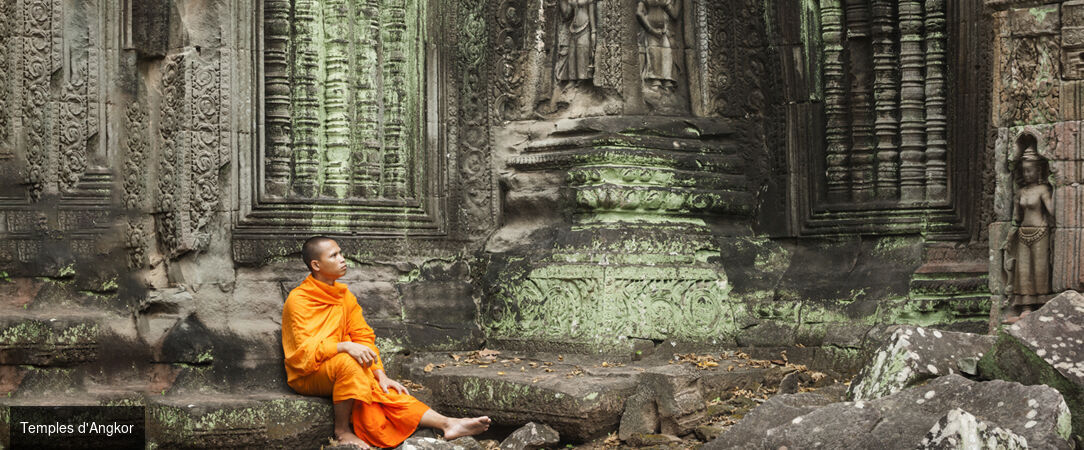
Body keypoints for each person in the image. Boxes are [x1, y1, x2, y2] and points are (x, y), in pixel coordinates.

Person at [282, 236, 491, 448]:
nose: (342, 259)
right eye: (334, 255)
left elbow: (363, 337)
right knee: (349, 364)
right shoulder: (299, 299)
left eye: (341, 253)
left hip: (340, 368)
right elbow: (302, 352)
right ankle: (342, 431)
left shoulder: (344, 296)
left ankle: (448, 423)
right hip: (308, 374)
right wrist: (344, 346)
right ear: (316, 265)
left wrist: (380, 374)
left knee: (382, 388)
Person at [1010, 144, 1054, 320]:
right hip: (1023, 232)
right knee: (1023, 270)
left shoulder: (1043, 190)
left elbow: (1052, 211)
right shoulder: (1021, 191)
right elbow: (1017, 216)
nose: (1027, 174)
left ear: (1039, 171)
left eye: (1030, 171)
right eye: (1024, 171)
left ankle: (1042, 303)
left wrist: (1059, 186)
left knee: (1040, 268)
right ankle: (1026, 305)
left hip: (1040, 232)